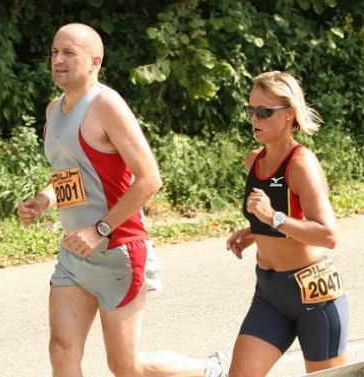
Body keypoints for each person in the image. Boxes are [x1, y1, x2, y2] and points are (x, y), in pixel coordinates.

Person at [17, 23, 231, 377]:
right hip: (75, 254)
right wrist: (43, 200)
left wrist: (100, 229)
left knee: (126, 366)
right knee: (61, 350)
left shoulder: (105, 105)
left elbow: (150, 178)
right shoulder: (53, 109)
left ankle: (211, 370)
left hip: (118, 249)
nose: (58, 59)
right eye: (54, 52)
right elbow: (71, 177)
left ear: (94, 61)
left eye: (69, 52)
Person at [225, 71, 349, 376]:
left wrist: (273, 219)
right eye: (250, 110)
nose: (255, 118)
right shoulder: (253, 160)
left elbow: (328, 235)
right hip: (270, 293)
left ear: (289, 115)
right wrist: (255, 231)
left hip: (312, 293)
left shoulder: (301, 165)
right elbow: (276, 216)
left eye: (264, 112)